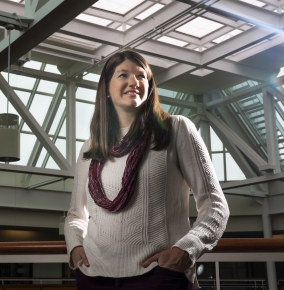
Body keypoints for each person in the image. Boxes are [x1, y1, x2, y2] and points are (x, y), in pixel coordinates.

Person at [64, 50, 229, 290]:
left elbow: (215, 206)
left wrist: (186, 250)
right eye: (123, 75)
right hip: (93, 277)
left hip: (158, 276)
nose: (134, 82)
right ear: (106, 91)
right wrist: (75, 248)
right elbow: (75, 215)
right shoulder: (91, 146)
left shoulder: (177, 129)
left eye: (142, 76)